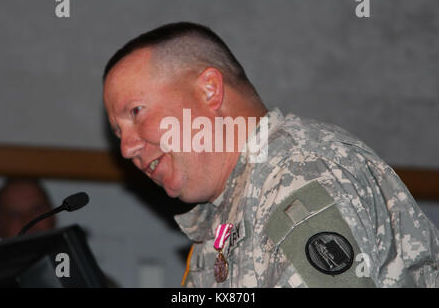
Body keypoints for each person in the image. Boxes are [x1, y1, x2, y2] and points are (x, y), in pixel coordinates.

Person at [102, 22, 438, 287]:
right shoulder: (224, 215)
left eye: (136, 112)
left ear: (209, 90)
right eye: (118, 132)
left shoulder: (302, 172)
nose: (126, 148)